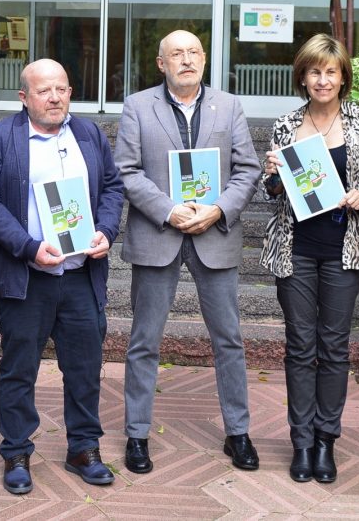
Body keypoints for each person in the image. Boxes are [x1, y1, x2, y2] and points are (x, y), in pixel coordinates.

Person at [0, 59, 124, 495]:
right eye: (44, 91)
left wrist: (106, 231)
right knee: (19, 368)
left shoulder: (90, 134)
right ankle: (16, 452)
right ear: (24, 97)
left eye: (62, 89)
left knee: (85, 368)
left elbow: (112, 187)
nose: (54, 98)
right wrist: (29, 247)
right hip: (26, 277)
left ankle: (83, 448)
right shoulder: (1, 138)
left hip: (80, 274)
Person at [115, 29, 261, 473]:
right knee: (144, 342)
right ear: (161, 63)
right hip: (159, 234)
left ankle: (238, 432)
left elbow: (247, 169)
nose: (186, 60)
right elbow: (127, 170)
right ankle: (137, 435)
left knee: (229, 340)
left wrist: (218, 210)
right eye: (176, 53)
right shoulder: (138, 106)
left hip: (214, 236)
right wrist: (168, 210)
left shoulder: (229, 105)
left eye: (193, 52)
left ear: (204, 59)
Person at [260, 33, 359, 484]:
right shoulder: (285, 124)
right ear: (303, 76)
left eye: (331, 72)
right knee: (300, 347)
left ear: (342, 77)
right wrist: (273, 174)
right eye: (315, 71)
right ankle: (300, 441)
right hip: (294, 249)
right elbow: (272, 192)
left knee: (335, 348)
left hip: (343, 248)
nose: (323, 79)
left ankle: (325, 441)